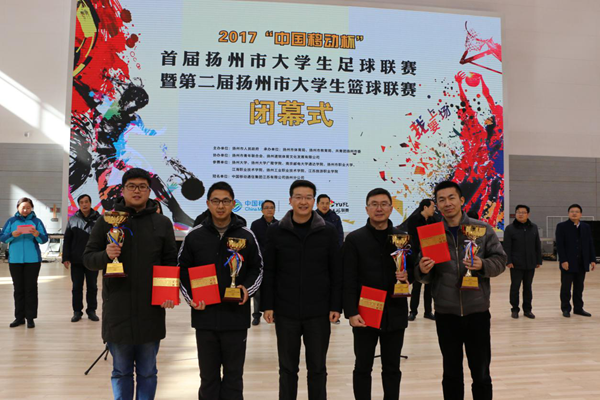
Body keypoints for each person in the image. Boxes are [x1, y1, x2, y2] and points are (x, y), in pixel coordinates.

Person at [83, 168, 178, 400]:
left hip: (150, 310)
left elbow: (170, 261)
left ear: (149, 191)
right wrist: (105, 255)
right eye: (132, 186)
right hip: (118, 310)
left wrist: (168, 293)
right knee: (121, 372)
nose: (137, 191)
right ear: (123, 190)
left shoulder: (162, 223)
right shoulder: (106, 221)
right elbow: (88, 258)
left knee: (148, 372)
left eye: (142, 186)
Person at [415, 181, 506, 400]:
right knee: (451, 373)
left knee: (481, 373)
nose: (447, 203)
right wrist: (422, 269)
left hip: (477, 312)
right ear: (437, 204)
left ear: (461, 200)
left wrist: (483, 265)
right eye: (441, 200)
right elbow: (423, 275)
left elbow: (500, 260)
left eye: (451, 198)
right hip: (446, 313)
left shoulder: (482, 229)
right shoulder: (432, 233)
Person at [179, 181, 263, 400]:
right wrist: (191, 298)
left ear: (233, 204)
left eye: (226, 201)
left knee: (234, 377)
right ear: (208, 203)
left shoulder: (246, 235)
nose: (220, 206)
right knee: (208, 378)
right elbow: (182, 270)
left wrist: (247, 289)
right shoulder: (194, 236)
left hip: (236, 318)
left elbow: (258, 268)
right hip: (204, 318)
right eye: (216, 201)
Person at [262, 180, 342, 400]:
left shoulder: (327, 231)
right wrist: (267, 305)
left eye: (308, 197)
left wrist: (336, 305)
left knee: (317, 368)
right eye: (298, 197)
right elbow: (269, 270)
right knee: (287, 368)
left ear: (314, 201)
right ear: (290, 200)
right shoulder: (276, 231)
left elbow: (336, 271)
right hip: (285, 311)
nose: (303, 202)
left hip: (318, 312)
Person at [343, 188, 412, 400]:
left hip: (395, 311)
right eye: (374, 204)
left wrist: (409, 276)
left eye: (384, 204)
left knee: (392, 368)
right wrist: (351, 312)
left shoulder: (403, 238)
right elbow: (348, 278)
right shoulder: (354, 239)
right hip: (365, 312)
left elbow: (413, 270)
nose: (379, 208)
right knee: (362, 367)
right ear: (367, 209)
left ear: (391, 208)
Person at [1, 197, 48, 328]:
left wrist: (37, 234)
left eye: (28, 207)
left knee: (31, 288)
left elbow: (44, 239)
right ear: (18, 208)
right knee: (18, 289)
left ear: (31, 208)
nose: (26, 210)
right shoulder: (11, 221)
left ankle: (30, 318)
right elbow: (2, 238)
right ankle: (19, 317)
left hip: (33, 260)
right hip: (15, 260)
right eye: (23, 207)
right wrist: (12, 235)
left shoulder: (37, 221)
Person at [62, 194, 101, 322]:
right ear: (79, 205)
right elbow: (67, 240)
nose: (84, 204)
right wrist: (66, 257)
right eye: (82, 202)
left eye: (86, 202)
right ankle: (77, 312)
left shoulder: (99, 219)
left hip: (92, 259)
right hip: (76, 259)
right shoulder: (73, 220)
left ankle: (92, 311)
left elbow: (103, 238)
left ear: (90, 203)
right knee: (76, 287)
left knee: (92, 286)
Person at [555, 204, 596, 318]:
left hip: (582, 262)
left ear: (580, 214)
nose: (574, 213)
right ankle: (565, 308)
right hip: (568, 262)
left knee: (579, 287)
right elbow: (560, 245)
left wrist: (592, 259)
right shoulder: (562, 226)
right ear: (568, 213)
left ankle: (578, 308)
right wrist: (563, 260)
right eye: (572, 211)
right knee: (566, 287)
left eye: (577, 211)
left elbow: (590, 243)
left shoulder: (585, 227)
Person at [503, 205, 542, 319]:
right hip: (516, 263)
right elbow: (507, 247)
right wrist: (508, 261)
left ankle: (527, 310)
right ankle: (515, 309)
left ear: (528, 214)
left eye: (523, 212)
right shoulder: (510, 228)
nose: (520, 214)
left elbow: (537, 245)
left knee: (528, 287)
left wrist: (538, 260)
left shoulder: (533, 227)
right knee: (515, 287)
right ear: (515, 214)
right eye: (518, 212)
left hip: (530, 263)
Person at [405, 198, 436, 321]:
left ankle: (428, 312)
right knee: (416, 285)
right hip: (417, 256)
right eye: (432, 207)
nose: (434, 209)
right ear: (425, 207)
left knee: (429, 285)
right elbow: (413, 239)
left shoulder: (434, 220)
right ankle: (413, 311)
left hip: (431, 255)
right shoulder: (414, 220)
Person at [249, 200, 277, 326]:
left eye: (271, 207)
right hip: (260, 261)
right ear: (262, 210)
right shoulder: (256, 224)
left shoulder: (279, 224)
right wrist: (264, 253)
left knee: (274, 288)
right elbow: (253, 242)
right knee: (258, 290)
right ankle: (256, 315)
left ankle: (274, 313)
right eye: (266, 207)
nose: (269, 210)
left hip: (275, 261)